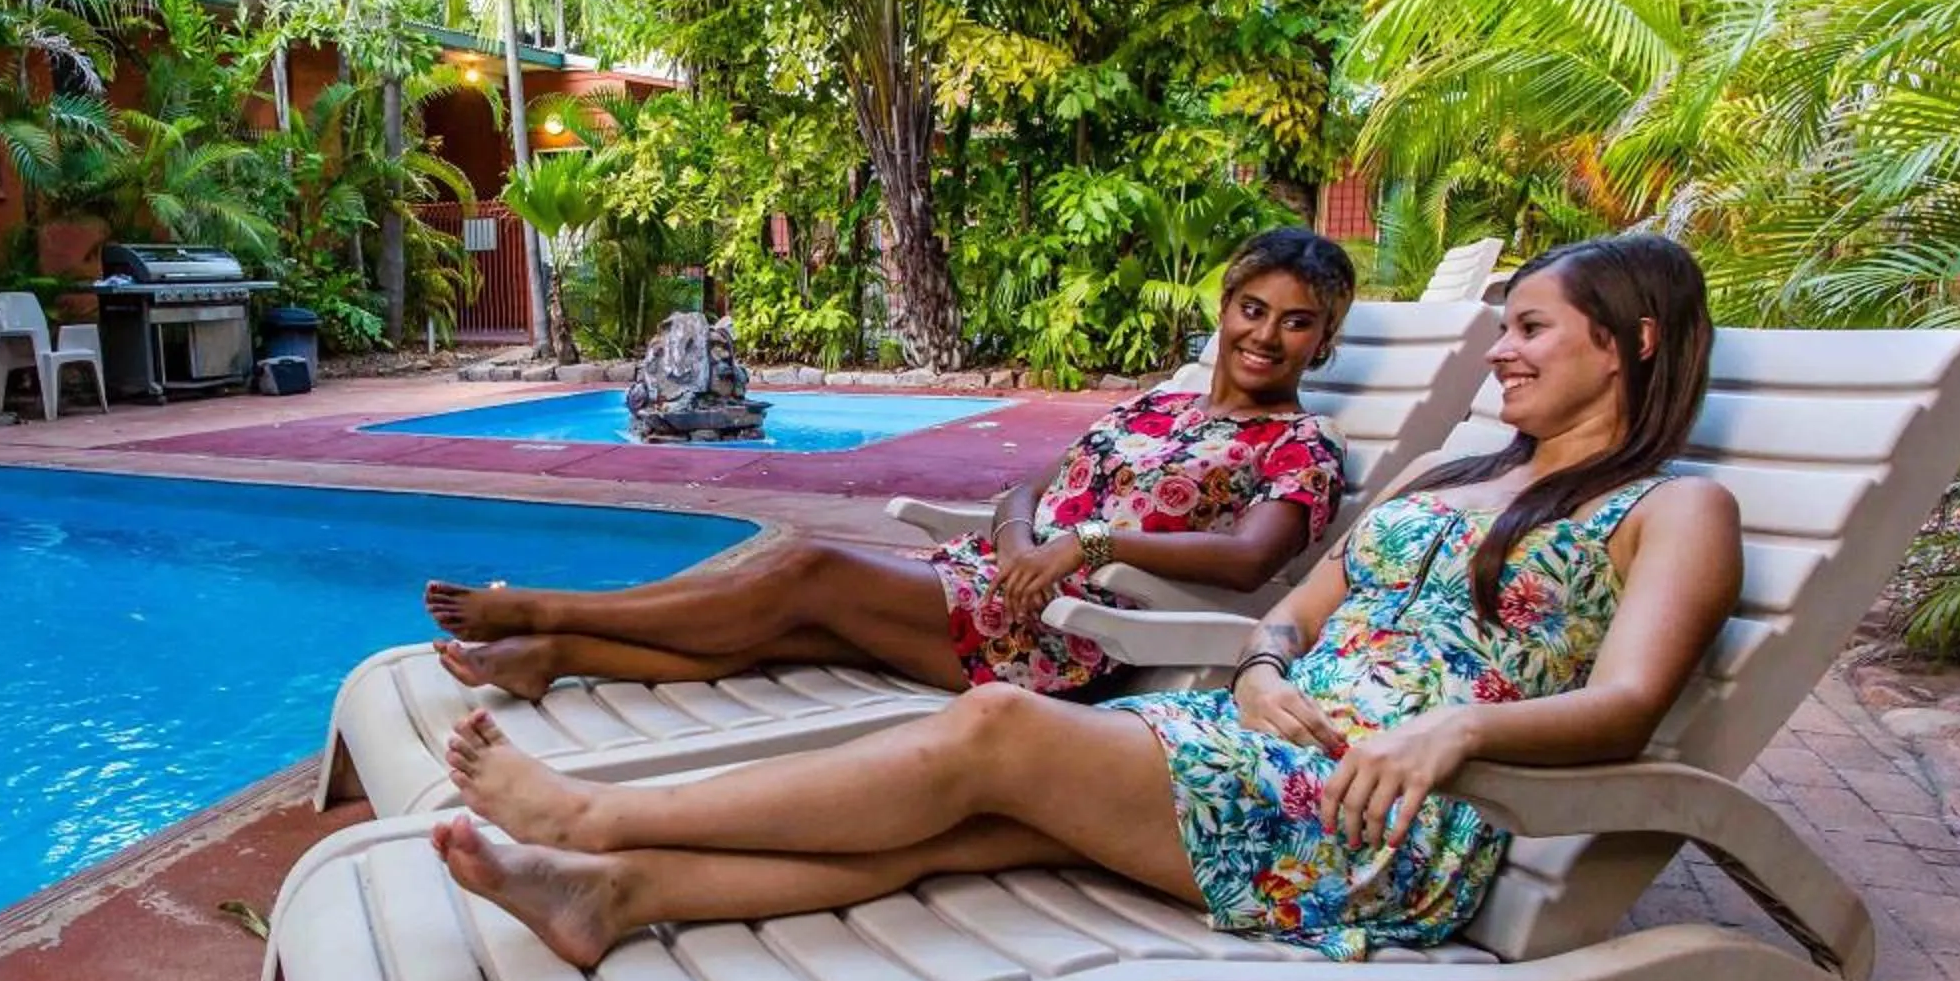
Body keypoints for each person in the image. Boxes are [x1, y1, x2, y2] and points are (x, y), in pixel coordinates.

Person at [429, 232, 1743, 967]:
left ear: (1628, 344)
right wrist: (1267, 668)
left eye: (1533, 332)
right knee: (942, 833)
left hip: (1384, 818)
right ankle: (614, 897)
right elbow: (1294, 608)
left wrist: (1452, 733)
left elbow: (1628, 704)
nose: (1502, 354)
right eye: (1502, 327)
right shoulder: (1454, 479)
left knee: (995, 737)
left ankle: (595, 814)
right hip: (1251, 752)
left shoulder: (1675, 510)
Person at [423, 227, 1359, 703]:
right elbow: (1032, 484)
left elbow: (1246, 562)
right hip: (998, 582)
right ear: (1226, 309)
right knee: (784, 629)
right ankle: (555, 659)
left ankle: (547, 608)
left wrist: (1078, 548)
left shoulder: (1300, 451)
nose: (1266, 335)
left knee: (803, 568)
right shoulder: (1159, 401)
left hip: (1077, 635)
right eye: (1253, 309)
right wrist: (1023, 536)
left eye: (1297, 321)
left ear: (1322, 342)